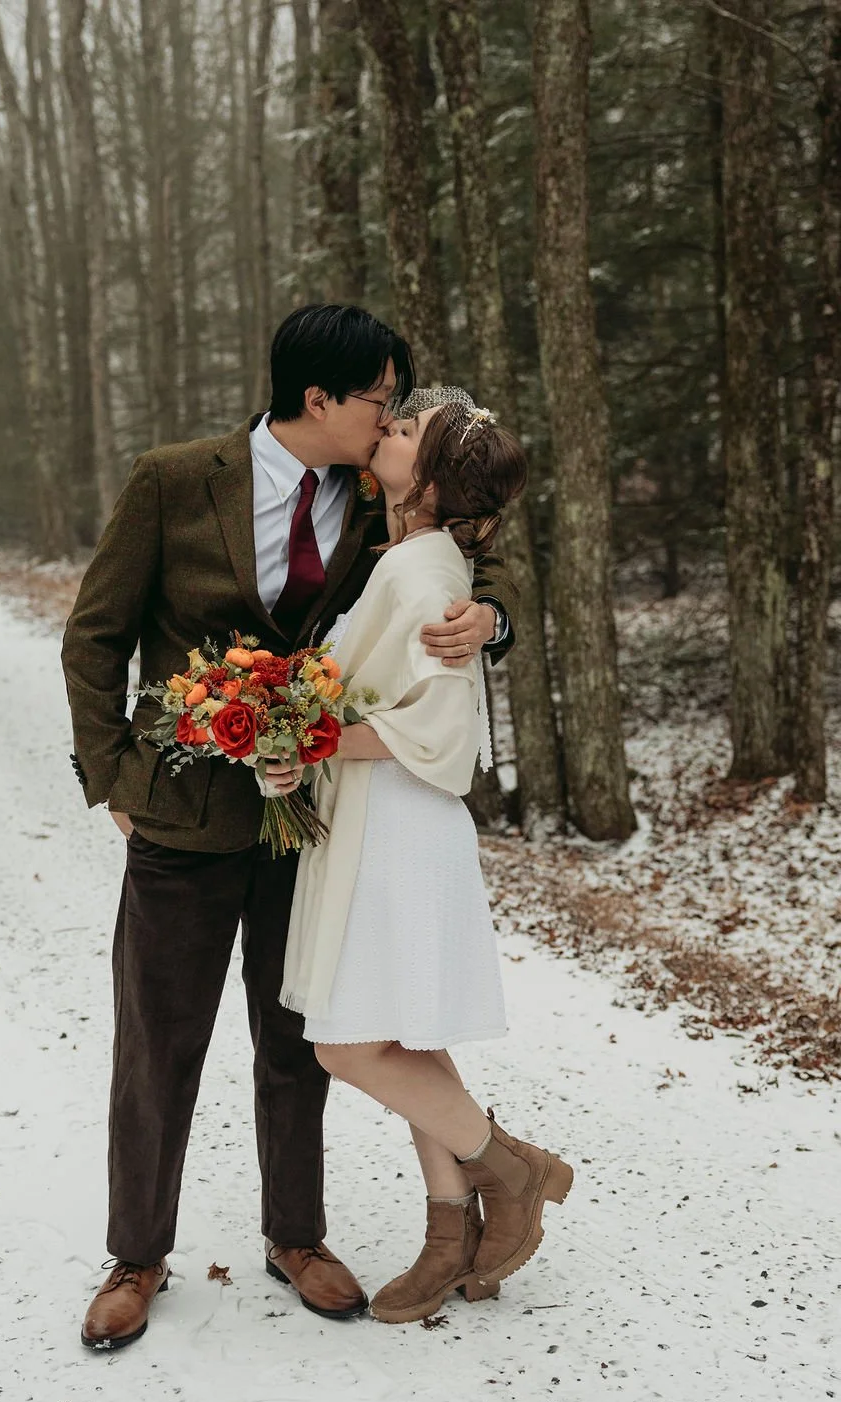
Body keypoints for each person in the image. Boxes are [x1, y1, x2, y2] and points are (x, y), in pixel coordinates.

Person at [61, 307, 521, 1349]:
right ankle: (136, 1254)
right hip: (181, 811)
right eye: (378, 399)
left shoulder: (375, 496)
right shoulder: (175, 479)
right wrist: (110, 776)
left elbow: (452, 561)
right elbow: (95, 634)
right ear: (320, 400)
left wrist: (491, 620)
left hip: (310, 819)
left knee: (298, 1038)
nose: (390, 417)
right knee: (158, 1041)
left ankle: (298, 1236)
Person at [281, 387, 574, 1325]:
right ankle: (450, 1228)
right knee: (408, 1035)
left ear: (436, 480)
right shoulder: (408, 556)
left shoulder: (424, 575)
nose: (389, 429)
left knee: (343, 1043)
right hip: (379, 818)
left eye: (405, 430)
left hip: (401, 827)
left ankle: (513, 1169)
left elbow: (440, 731)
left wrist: (310, 739)